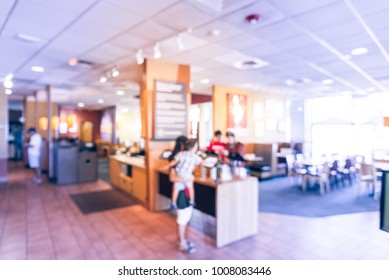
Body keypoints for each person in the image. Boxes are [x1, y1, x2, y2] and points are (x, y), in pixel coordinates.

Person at [166, 136, 196, 254]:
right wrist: (188, 179)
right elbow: (172, 178)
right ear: (183, 146)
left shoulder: (184, 159)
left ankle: (182, 240)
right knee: (182, 218)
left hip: (186, 191)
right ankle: (182, 243)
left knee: (184, 217)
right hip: (182, 192)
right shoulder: (176, 159)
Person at [163, 139, 202, 209]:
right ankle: (192, 201)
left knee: (176, 188)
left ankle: (173, 202)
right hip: (187, 175)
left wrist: (166, 166)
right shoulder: (194, 156)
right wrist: (197, 167)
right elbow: (201, 162)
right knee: (190, 187)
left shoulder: (180, 154)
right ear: (192, 148)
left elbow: (174, 162)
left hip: (179, 174)